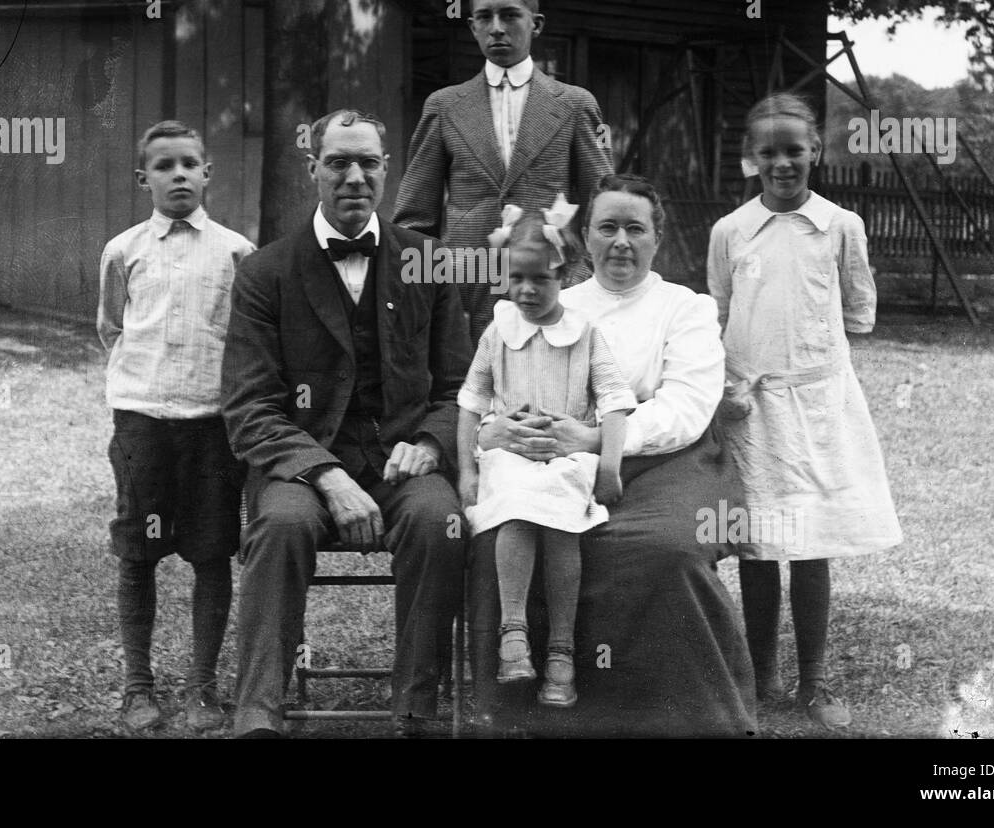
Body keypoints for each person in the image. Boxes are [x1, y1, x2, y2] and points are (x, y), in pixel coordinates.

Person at [468, 172, 756, 737]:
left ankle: (681, 718)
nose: (621, 242)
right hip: (557, 462)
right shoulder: (553, 302)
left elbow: (687, 407)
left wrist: (597, 439)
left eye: (635, 229)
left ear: (657, 238)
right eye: (607, 228)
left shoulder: (686, 308)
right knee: (510, 533)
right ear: (583, 238)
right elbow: (499, 385)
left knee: (664, 549)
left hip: (671, 462)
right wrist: (510, 428)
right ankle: (532, 708)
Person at [221, 109, 472, 738]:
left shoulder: (429, 262)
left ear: (386, 172)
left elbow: (461, 387)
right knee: (278, 525)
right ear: (313, 171)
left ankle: (414, 709)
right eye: (338, 162)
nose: (354, 176)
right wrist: (326, 475)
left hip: (401, 461)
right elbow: (250, 407)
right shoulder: (264, 273)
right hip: (304, 466)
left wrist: (429, 442)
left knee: (437, 521)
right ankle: (258, 715)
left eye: (368, 162)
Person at [707, 92, 902, 730]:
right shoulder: (730, 232)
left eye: (795, 150)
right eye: (769, 152)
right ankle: (762, 676)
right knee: (762, 544)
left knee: (812, 542)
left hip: (818, 402)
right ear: (750, 158)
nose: (783, 163)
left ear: (816, 151)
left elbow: (855, 311)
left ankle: (813, 682)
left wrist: (810, 366)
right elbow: (721, 310)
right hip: (753, 407)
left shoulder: (841, 225)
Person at [96, 119, 256, 732]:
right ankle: (138, 686)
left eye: (190, 163)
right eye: (164, 166)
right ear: (144, 179)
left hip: (212, 427)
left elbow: (242, 339)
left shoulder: (237, 252)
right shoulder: (124, 250)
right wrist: (145, 387)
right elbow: (112, 327)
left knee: (212, 553)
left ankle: (204, 686)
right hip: (142, 423)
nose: (179, 174)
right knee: (138, 552)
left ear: (208, 173)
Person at [456, 198, 635, 708]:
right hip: (512, 453)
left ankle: (561, 650)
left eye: (542, 279)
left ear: (568, 273)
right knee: (514, 498)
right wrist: (468, 469)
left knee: (560, 521)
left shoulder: (585, 335)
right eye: (517, 278)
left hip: (565, 456)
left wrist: (610, 467)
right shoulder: (499, 331)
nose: (528, 290)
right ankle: (513, 632)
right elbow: (470, 402)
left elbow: (617, 405)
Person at [393, 0, 613, 342]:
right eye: (484, 17)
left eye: (510, 15)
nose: (497, 27)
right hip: (465, 290)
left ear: (536, 23)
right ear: (473, 26)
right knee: (465, 394)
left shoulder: (575, 104)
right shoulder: (444, 106)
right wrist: (431, 287)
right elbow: (414, 220)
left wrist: (579, 278)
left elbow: (602, 206)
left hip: (552, 287)